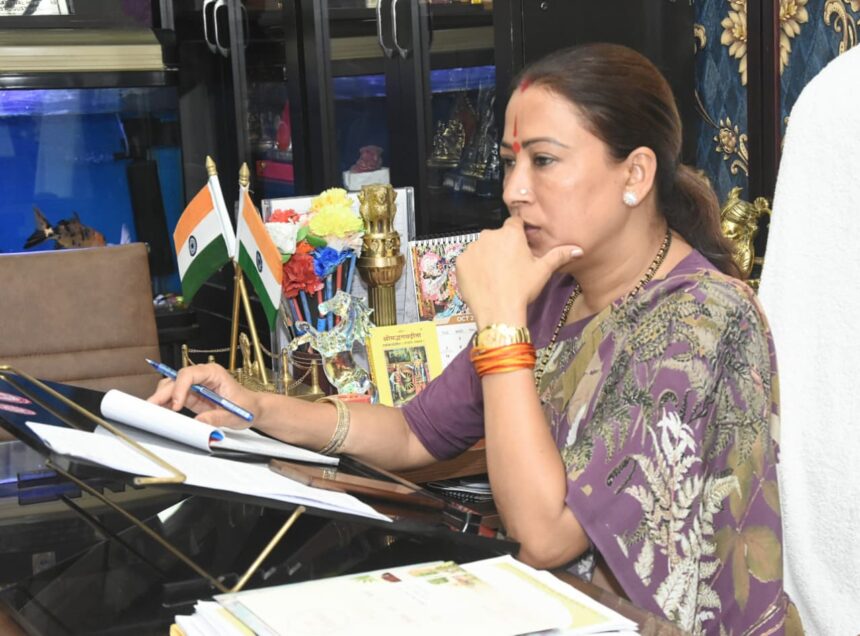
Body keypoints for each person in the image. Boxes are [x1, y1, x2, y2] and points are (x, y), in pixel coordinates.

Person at [150, 43, 798, 635]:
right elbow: (413, 433)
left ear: (635, 174)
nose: (514, 191)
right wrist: (255, 409)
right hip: (554, 608)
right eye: (512, 163)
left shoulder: (701, 319)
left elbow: (546, 536)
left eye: (544, 161)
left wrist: (501, 321)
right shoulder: (554, 289)